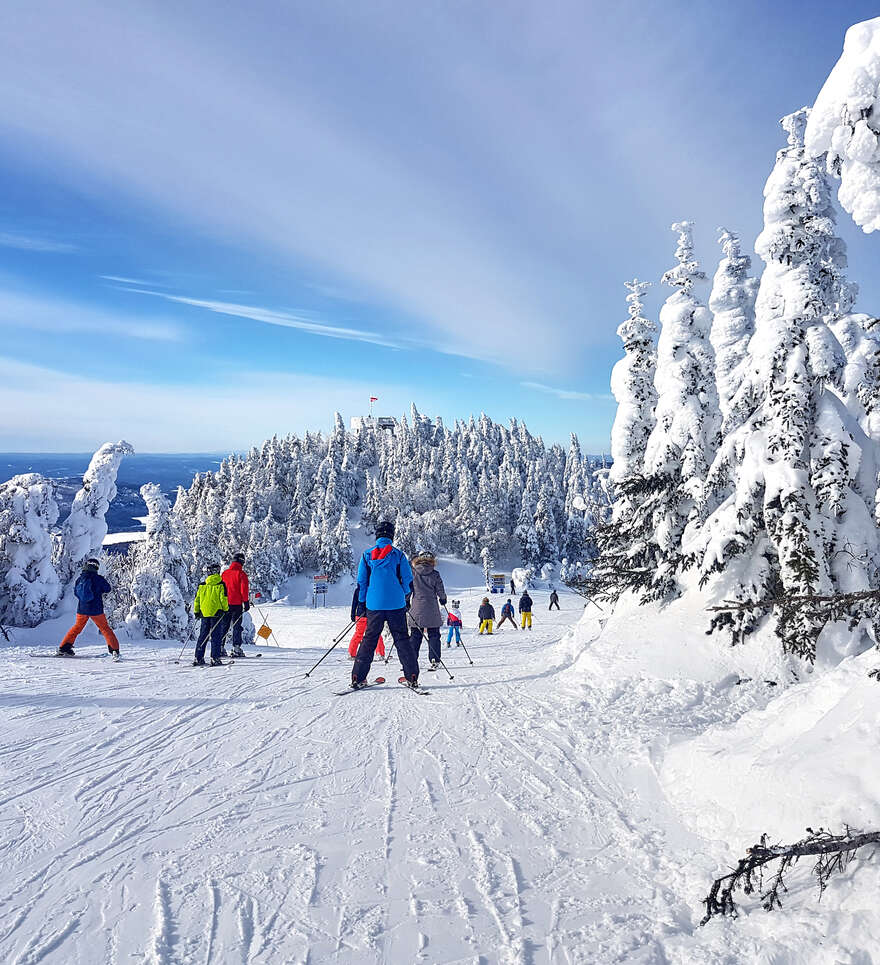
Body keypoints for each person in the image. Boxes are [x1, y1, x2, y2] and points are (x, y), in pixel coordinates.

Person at [351, 520, 417, 689]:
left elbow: (362, 582)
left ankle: (358, 677)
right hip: (396, 604)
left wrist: (362, 604)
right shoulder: (399, 555)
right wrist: (402, 596)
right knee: (402, 638)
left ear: (377, 535)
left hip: (374, 605)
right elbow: (408, 581)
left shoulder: (367, 556)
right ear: (392, 536)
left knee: (369, 639)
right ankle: (412, 676)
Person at [57, 558, 120, 659]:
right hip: (96, 610)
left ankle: (64, 648)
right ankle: (114, 650)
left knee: (76, 628)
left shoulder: (80, 579)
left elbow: (76, 593)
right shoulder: (98, 579)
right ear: (96, 567)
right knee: (105, 629)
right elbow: (108, 588)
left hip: (82, 609)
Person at [407, 550, 447, 671]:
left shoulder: (413, 573)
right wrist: (443, 599)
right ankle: (434, 659)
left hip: (417, 608)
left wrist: (406, 601)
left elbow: (408, 590)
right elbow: (440, 589)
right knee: (434, 634)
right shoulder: (435, 574)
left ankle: (411, 660)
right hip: (431, 608)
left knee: (415, 635)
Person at [192, 563, 229, 666]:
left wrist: (196, 611)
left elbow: (197, 599)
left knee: (203, 635)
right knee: (216, 636)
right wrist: (225, 609)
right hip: (216, 613)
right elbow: (223, 599)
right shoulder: (221, 584)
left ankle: (198, 657)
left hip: (204, 613)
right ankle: (215, 657)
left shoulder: (202, 585)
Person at [221, 552, 250, 658]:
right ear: (241, 562)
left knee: (224, 626)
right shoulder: (241, 574)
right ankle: (236, 648)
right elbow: (244, 589)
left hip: (225, 604)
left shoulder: (225, 573)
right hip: (236, 604)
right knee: (237, 626)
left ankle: (220, 647)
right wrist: (246, 602)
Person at [348, 586, 384, 659]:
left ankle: (351, 653)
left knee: (359, 634)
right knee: (375, 633)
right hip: (371, 614)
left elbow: (354, 603)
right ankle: (380, 653)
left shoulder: (359, 588)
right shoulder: (374, 587)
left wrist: (353, 614)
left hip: (362, 615)